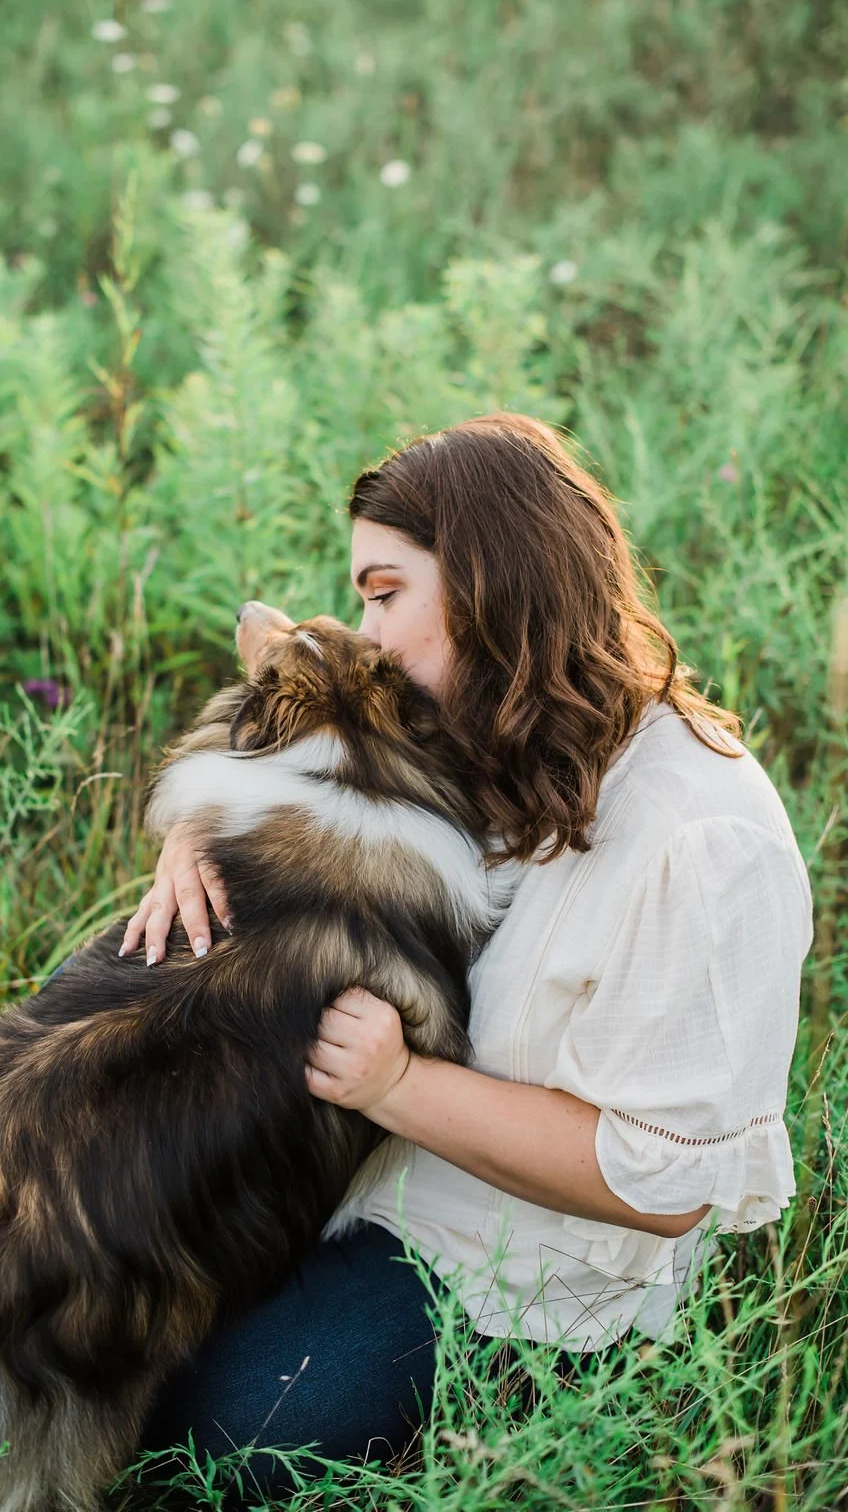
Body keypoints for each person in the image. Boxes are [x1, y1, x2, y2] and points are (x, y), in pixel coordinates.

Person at [118, 412, 813, 1499]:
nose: (369, 631)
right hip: (353, 1158)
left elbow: (659, 1182)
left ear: (492, 578)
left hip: (513, 1262)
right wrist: (192, 832)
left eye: (384, 592)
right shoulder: (484, 717)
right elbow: (289, 702)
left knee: (220, 1428)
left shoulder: (701, 838)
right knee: (53, 1316)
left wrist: (396, 1082)